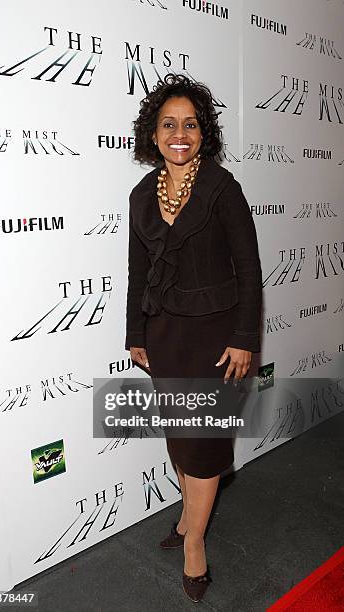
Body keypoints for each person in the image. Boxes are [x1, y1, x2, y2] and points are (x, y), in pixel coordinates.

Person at [125, 73, 262, 603]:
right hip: (163, 335)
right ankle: (186, 520)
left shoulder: (222, 189)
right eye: (168, 124)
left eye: (190, 124)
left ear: (203, 133)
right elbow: (138, 270)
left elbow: (249, 271)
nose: (179, 133)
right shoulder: (141, 195)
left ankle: (195, 545)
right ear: (153, 134)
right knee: (181, 436)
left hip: (214, 338)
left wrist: (244, 336)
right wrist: (135, 333)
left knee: (203, 447)